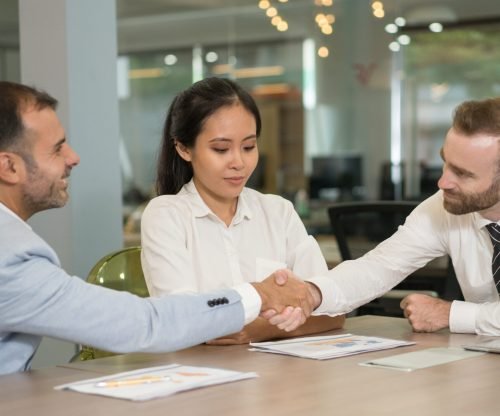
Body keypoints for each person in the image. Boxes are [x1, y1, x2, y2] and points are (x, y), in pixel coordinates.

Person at [0, 81, 315, 376]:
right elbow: (146, 325)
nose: (74, 158)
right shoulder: (11, 260)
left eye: (248, 146)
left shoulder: (277, 210)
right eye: (58, 148)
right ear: (8, 167)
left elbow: (331, 305)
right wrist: (260, 295)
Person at [273, 96, 500, 337]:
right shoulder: (445, 207)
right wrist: (312, 293)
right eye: (445, 163)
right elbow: (379, 267)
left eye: (462, 174)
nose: (443, 182)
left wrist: (450, 314)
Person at [140, 77, 344, 345]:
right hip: (206, 376)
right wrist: (275, 314)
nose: (239, 162)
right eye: (221, 149)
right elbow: (184, 320)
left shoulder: (278, 212)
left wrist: (255, 330)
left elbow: (333, 313)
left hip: (282, 378)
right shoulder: (166, 216)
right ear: (183, 148)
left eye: (249, 146)